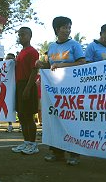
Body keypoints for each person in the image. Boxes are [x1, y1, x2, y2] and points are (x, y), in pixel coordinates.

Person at [36, 16, 86, 166]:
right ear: (57, 29)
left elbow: (82, 62)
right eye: (64, 27)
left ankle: (74, 154)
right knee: (56, 120)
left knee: (72, 121)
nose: (68, 30)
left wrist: (64, 65)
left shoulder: (74, 45)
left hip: (72, 90)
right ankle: (57, 152)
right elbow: (48, 67)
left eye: (69, 27)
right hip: (55, 92)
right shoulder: (51, 47)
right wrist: (41, 64)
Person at [11, 27, 39, 155]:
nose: (21, 37)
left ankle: (33, 144)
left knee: (28, 116)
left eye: (23, 35)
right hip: (19, 85)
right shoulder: (21, 52)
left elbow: (34, 71)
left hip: (27, 85)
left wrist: (27, 89)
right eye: (19, 35)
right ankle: (26, 142)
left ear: (30, 35)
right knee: (21, 116)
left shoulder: (32, 52)